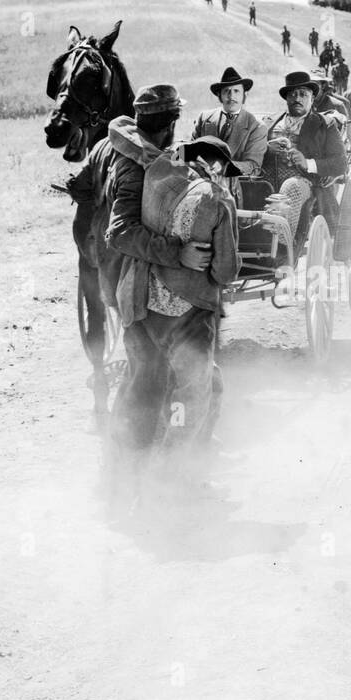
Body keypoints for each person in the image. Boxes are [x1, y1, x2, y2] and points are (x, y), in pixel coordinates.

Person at [104, 85, 215, 470]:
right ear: (169, 124)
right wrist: (178, 252)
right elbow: (119, 232)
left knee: (146, 382)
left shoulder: (149, 155)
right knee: (162, 383)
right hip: (145, 296)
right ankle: (160, 477)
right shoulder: (134, 168)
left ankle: (128, 477)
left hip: (147, 297)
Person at [128, 134, 240, 482]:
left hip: (147, 307)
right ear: (216, 165)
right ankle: (166, 478)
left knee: (204, 382)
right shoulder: (218, 200)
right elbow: (225, 270)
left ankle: (193, 459)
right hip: (190, 314)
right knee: (193, 397)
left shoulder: (157, 179)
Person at [264, 71, 347, 260]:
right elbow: (252, 151)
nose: (297, 99)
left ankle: (282, 251)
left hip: (305, 182)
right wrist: (267, 148)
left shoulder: (324, 125)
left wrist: (307, 162)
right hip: (266, 179)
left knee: (291, 187)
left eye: (303, 94)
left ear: (312, 98)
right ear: (286, 98)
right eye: (292, 94)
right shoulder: (270, 123)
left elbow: (340, 163)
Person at [190, 66, 267, 197]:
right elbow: (190, 151)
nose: (232, 96)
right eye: (227, 91)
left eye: (237, 91)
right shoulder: (204, 118)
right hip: (200, 186)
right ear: (219, 96)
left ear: (244, 96)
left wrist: (223, 166)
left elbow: (254, 167)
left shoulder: (256, 126)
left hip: (235, 191)